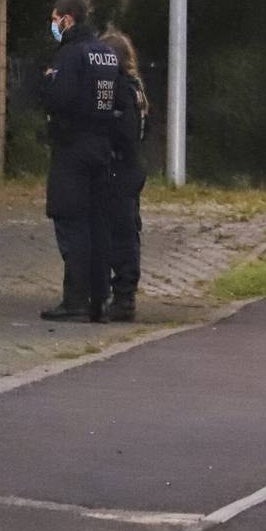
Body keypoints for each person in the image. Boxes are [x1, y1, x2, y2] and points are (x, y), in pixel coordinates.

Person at [40, 0, 135, 323]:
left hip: (73, 146)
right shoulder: (107, 54)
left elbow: (58, 97)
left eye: (55, 19)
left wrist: (46, 87)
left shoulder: (71, 54)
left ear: (68, 19)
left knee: (71, 221)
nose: (53, 25)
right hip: (102, 147)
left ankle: (75, 298)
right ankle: (99, 298)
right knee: (98, 225)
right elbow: (121, 98)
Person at [101, 31, 150, 322]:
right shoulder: (137, 87)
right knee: (128, 229)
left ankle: (123, 296)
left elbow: (123, 132)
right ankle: (124, 291)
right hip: (134, 166)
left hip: (121, 166)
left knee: (121, 233)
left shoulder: (120, 88)